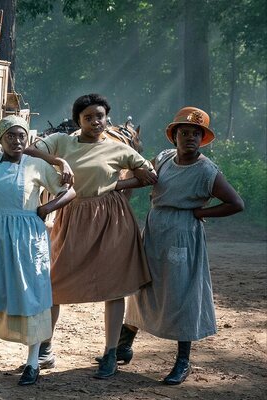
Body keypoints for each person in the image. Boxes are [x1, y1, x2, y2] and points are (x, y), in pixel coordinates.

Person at [29, 93, 157, 379]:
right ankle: (45, 347)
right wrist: (60, 162)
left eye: (99, 116)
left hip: (111, 220)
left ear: (107, 117)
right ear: (78, 120)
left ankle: (110, 353)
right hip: (72, 216)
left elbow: (150, 173)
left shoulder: (117, 149)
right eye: (88, 117)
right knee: (54, 284)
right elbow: (30, 151)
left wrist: (117, 187)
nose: (95, 122)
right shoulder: (63, 142)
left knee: (114, 287)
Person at [117, 107, 244, 384]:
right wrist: (116, 185)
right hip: (155, 228)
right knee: (143, 284)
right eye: (184, 132)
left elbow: (236, 204)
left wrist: (201, 213)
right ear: (174, 136)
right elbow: (145, 178)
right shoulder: (163, 158)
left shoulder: (207, 170)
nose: (189, 137)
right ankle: (124, 345)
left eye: (195, 133)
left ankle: (182, 361)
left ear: (202, 138)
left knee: (181, 293)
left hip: (183, 233)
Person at [0, 116, 76, 385]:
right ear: (0, 138)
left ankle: (33, 361)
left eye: (22, 136)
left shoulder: (37, 165)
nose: (17, 141)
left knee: (28, 291)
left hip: (25, 235)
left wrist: (46, 209)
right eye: (11, 136)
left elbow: (68, 192)